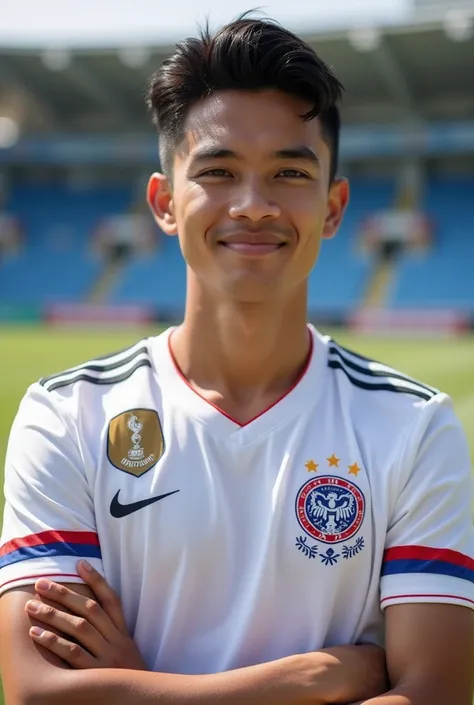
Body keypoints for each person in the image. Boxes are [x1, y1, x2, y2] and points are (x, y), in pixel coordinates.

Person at [1, 15, 473, 705]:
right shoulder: (66, 414)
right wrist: (310, 678)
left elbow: (435, 692)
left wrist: (141, 686)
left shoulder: (414, 425)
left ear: (334, 207)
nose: (254, 205)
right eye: (218, 172)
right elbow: (40, 692)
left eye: (288, 171)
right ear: (164, 202)